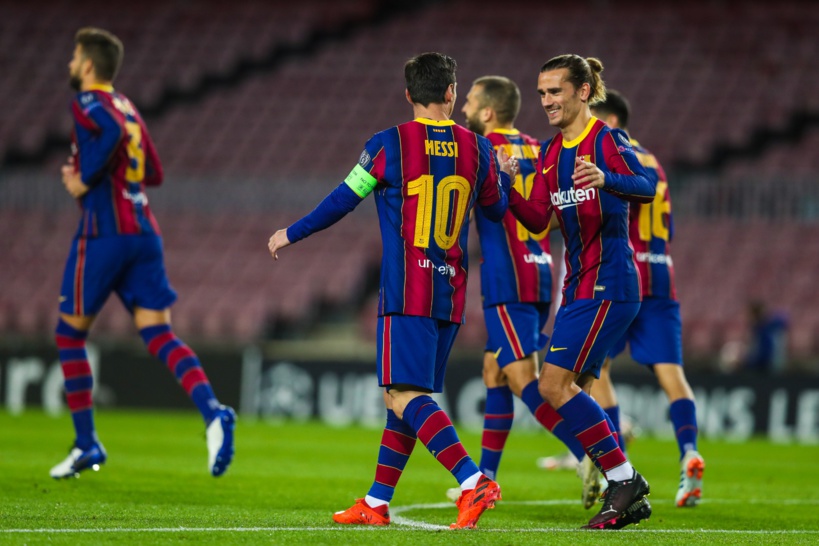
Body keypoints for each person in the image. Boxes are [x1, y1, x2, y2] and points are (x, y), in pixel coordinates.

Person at [267, 52, 516, 529]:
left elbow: (343, 198)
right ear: (451, 93)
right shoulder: (480, 149)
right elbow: (497, 211)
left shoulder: (388, 144)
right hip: (450, 293)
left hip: (407, 289)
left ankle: (472, 481)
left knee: (403, 395)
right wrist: (503, 176)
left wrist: (292, 232)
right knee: (399, 399)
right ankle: (376, 502)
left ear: (408, 95)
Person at [50, 28, 235, 480]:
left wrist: (85, 178)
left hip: (103, 233)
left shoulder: (88, 102)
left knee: (69, 335)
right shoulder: (128, 106)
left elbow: (112, 135)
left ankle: (86, 443)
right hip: (143, 231)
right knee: (158, 334)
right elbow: (153, 171)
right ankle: (213, 412)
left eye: (75, 57)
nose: (71, 64)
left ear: (88, 65)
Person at [507, 55, 655, 530]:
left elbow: (647, 185)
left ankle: (625, 479)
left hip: (609, 282)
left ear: (583, 90)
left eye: (556, 91)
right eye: (542, 93)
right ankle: (620, 485)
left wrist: (607, 178)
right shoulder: (551, 153)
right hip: (580, 286)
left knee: (551, 385)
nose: (547, 101)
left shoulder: (606, 140)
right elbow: (537, 220)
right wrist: (507, 186)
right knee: (577, 390)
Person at [443, 76, 588, 502]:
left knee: (526, 380)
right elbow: (554, 211)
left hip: (506, 279)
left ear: (488, 112)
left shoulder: (480, 150)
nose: (464, 107)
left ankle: (589, 454)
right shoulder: (537, 147)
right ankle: (486, 477)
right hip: (541, 272)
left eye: (470, 101)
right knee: (495, 371)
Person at [588, 89, 705, 508]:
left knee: (598, 368)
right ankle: (689, 452)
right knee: (672, 374)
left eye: (593, 119)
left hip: (624, 277)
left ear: (610, 121)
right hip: (661, 274)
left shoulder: (614, 157)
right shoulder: (654, 161)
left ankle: (615, 469)